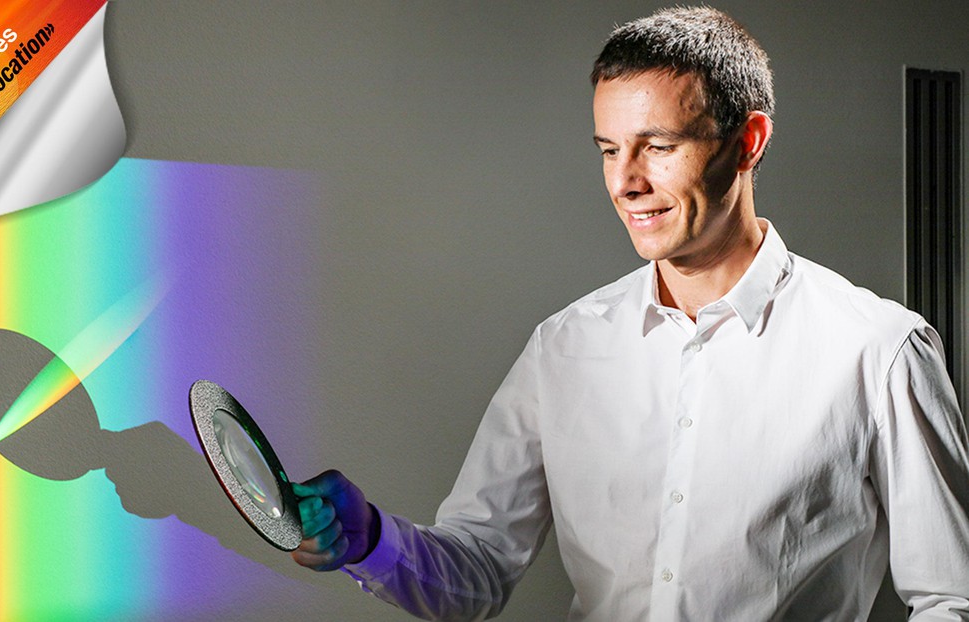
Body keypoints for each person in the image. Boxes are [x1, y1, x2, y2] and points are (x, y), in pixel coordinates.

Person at [291, 6, 969, 620]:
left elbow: (952, 600)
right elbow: (478, 568)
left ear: (749, 141)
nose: (625, 183)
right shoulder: (562, 349)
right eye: (610, 150)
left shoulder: (879, 351)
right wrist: (370, 541)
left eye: (659, 146)